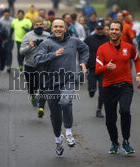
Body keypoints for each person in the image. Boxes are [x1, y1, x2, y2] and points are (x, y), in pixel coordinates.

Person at [34, 18, 89, 156]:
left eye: (61, 26)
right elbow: (37, 60)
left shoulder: (74, 41)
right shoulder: (46, 43)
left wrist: (82, 62)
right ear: (51, 29)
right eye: (55, 27)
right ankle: (58, 139)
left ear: (65, 28)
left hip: (68, 80)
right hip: (51, 83)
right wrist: (53, 54)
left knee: (65, 101)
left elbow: (85, 49)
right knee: (56, 116)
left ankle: (69, 132)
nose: (58, 29)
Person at [96, 20, 140, 154]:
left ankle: (126, 141)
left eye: (116, 29)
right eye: (112, 29)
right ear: (108, 31)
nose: (114, 32)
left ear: (121, 32)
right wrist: (106, 67)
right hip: (108, 87)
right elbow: (98, 69)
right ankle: (114, 142)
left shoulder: (129, 47)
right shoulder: (102, 49)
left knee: (125, 111)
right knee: (110, 120)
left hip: (125, 86)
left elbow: (137, 59)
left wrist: (138, 74)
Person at [20, 17, 50, 118]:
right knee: (32, 86)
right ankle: (33, 96)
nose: (39, 26)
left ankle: (41, 107)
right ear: (33, 26)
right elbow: (21, 51)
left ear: (44, 25)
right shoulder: (28, 36)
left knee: (43, 85)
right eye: (37, 25)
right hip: (29, 65)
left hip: (43, 65)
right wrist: (30, 46)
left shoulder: (48, 36)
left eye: (41, 24)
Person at [84, 20, 109, 118]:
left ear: (103, 29)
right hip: (92, 68)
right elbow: (83, 49)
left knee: (103, 91)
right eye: (98, 29)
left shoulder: (108, 40)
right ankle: (91, 90)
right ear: (95, 29)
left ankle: (99, 109)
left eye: (101, 29)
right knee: (92, 88)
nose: (99, 31)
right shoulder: (89, 39)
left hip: (104, 69)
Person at [0, 8, 14, 73]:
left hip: (11, 39)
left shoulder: (13, 20)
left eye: (7, 12)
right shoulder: (1, 20)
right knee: (3, 52)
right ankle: (4, 64)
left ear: (9, 13)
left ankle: (8, 66)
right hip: (3, 39)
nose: (6, 14)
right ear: (4, 13)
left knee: (9, 51)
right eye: (5, 12)